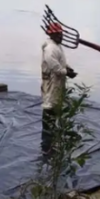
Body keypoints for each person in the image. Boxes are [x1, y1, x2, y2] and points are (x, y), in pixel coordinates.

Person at [41, 22, 77, 156]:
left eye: (61, 34)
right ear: (53, 34)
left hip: (57, 81)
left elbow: (60, 62)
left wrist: (67, 67)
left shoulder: (57, 46)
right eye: (59, 34)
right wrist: (66, 72)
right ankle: (46, 145)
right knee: (49, 106)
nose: (61, 36)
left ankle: (52, 141)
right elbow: (54, 66)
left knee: (56, 106)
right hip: (51, 81)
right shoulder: (50, 48)